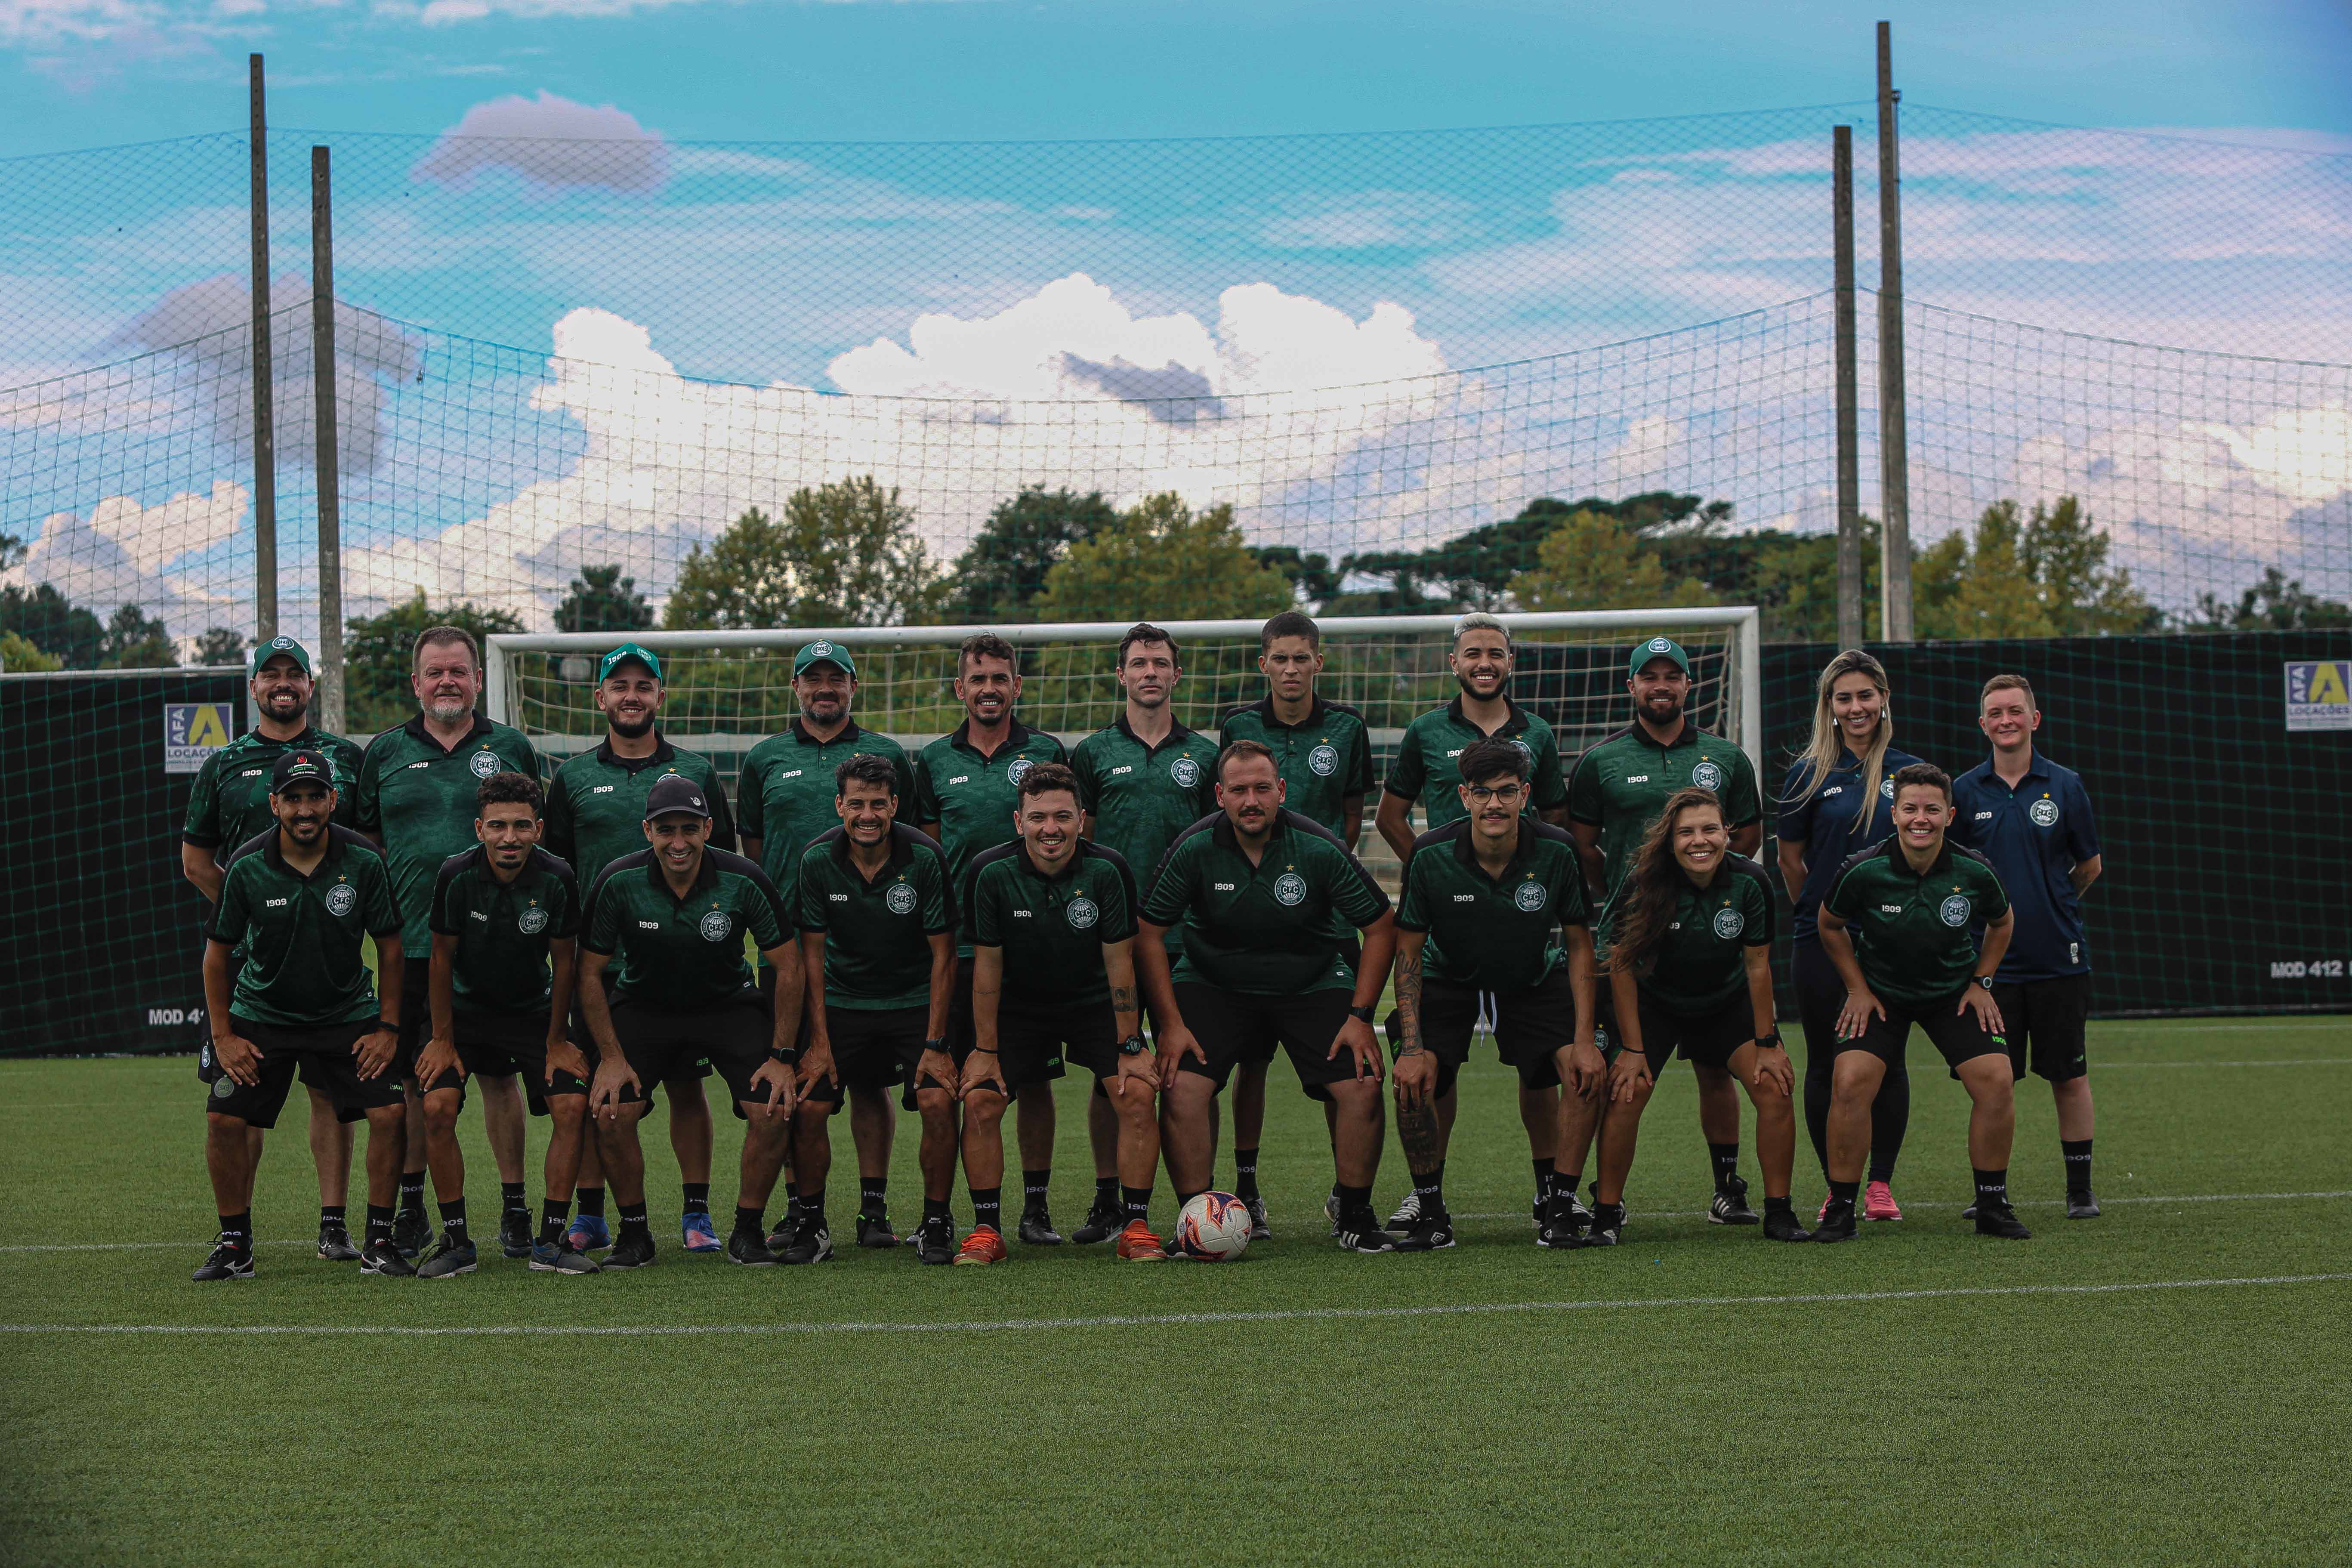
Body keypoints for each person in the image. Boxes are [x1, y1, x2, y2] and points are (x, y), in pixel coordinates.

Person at [1137, 739, 1401, 1253]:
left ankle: (1355, 1213)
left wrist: (1362, 1015)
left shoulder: (1318, 845)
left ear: (1281, 790)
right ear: (1220, 795)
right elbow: (1149, 933)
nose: (1250, 799)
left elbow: (1381, 925)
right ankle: (1198, 1219)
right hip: (1214, 982)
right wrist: (1170, 1023)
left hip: (1312, 981)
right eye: (1238, 789)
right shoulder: (1194, 846)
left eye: (1262, 788)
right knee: (1182, 1086)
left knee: (1363, 1082)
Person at [1375, 611, 1572, 1229]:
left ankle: (1551, 1190)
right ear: (1452, 664)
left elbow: (1559, 823)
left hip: (1523, 925)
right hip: (1449, 936)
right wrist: (1439, 876)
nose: (1483, 663)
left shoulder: (1536, 732)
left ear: (1511, 662)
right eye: (1471, 653)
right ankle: (1427, 1194)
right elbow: (1390, 815)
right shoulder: (1426, 731)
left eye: (1495, 652)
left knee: (1540, 1065)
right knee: (1436, 1063)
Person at [352, 625, 541, 1259]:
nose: (447, 682)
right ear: (416, 683)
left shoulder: (511, 745)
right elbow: (367, 844)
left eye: (458, 671)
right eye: (434, 673)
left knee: (497, 1077)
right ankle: (412, 1212)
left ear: (478, 679)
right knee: (415, 1083)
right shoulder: (382, 753)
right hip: (410, 947)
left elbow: (536, 843)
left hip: (497, 949)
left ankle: (516, 1211)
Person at [1565, 636, 1768, 1226]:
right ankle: (1607, 1196)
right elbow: (1583, 846)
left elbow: (1747, 837)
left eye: (1670, 676)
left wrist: (1702, 887)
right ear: (1630, 687)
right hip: (1631, 947)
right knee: (1624, 1075)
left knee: (1715, 1071)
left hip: (1708, 943)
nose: (1660, 686)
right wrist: (1635, 895)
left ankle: (1727, 1186)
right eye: (1647, 677)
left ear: (1687, 685)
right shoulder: (1599, 761)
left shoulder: (1726, 758)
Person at [180, 635, 367, 1261]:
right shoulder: (224, 763)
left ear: (311, 687)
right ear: (254, 687)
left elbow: (370, 850)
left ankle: (333, 1224)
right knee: (242, 1089)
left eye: (295, 673)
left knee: (327, 1094)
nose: (283, 683)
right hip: (253, 964)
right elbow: (196, 860)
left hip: (330, 959)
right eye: (271, 674)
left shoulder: (343, 758)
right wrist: (251, 917)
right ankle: (238, 1234)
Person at [193, 750, 412, 1280]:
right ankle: (234, 1244)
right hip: (263, 1013)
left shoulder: (363, 860)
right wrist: (223, 1036)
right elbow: (216, 956)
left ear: (334, 800)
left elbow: (390, 947)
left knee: (390, 1113)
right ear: (275, 804)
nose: (306, 808)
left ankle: (379, 1241)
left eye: (316, 796)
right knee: (224, 1118)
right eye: (293, 798)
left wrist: (387, 1028)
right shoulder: (246, 863)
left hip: (345, 1013)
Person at [543, 642, 732, 1255]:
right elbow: (559, 874)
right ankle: (596, 1216)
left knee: (685, 1085)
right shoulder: (571, 778)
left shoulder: (697, 773)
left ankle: (696, 1214)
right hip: (603, 971)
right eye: (618, 685)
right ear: (599, 697)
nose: (631, 695)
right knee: (603, 1091)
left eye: (643, 686)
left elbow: (723, 866)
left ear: (659, 697)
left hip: (683, 963)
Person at [578, 774, 800, 1269]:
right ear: (647, 831)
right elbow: (589, 972)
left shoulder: (744, 877)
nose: (678, 842)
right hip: (645, 1004)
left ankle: (747, 1231)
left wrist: (783, 1056)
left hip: (727, 1004)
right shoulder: (617, 880)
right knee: (611, 1110)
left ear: (708, 827)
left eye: (689, 828)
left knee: (774, 1107)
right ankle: (635, 1236)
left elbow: (789, 965)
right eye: (666, 830)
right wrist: (611, 1057)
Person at [738, 639, 916, 1249]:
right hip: (788, 952)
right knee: (798, 1083)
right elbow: (755, 856)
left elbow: (912, 844)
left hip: (874, 947)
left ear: (852, 687)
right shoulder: (764, 759)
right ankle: (802, 1210)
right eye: (812, 679)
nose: (824, 689)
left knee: (869, 1085)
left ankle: (873, 1210)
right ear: (795, 689)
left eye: (835, 679)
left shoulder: (888, 755)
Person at [1389, 738, 1600, 1252]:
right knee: (1415, 1079)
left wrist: (1585, 1037)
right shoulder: (1430, 853)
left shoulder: (1556, 848)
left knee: (1584, 1068)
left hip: (1531, 976)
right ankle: (1431, 1208)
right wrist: (1413, 1048)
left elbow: (1578, 945)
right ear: (1463, 796)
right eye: (1482, 793)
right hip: (1448, 976)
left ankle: (1558, 1202)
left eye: (1507, 792)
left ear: (1526, 793)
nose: (1495, 805)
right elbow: (1409, 953)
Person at [1814, 763, 2030, 1243]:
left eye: (1932, 809)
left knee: (1997, 1080)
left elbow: (2003, 921)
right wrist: (1857, 988)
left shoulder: (1975, 870)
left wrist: (1982, 981)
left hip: (1952, 993)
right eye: (1910, 808)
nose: (1921, 818)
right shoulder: (1863, 868)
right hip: (1881, 996)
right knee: (1849, 1081)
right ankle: (1842, 1208)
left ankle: (1992, 1203)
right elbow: (1829, 924)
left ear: (1950, 815)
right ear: (1894, 814)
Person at [959, 763, 1166, 1263]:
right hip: (1019, 1007)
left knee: (1136, 1091)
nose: (1050, 828)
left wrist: (1131, 1045)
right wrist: (985, 1051)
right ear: (1018, 821)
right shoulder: (990, 872)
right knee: (982, 1099)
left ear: (1081, 819)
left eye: (1062, 816)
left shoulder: (1108, 869)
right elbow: (985, 970)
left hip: (1092, 1002)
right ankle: (987, 1229)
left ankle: (1135, 1224)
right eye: (1038, 817)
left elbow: (1121, 964)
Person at [1215, 609, 1374, 1238]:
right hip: (1250, 914)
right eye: (1278, 659)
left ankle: (1347, 1189)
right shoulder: (1238, 725)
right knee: (1250, 1059)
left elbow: (1352, 814)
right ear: (1263, 664)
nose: (1289, 669)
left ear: (1318, 662)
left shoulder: (1347, 727)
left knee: (1340, 1054)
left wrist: (1319, 877)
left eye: (1300, 658)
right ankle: (1247, 1187)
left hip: (1324, 915)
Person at [1594, 787, 1809, 1244]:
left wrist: (1768, 1043)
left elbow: (1757, 966)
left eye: (1710, 828)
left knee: (1775, 1086)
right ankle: (1607, 1211)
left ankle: (1778, 1210)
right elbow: (1621, 966)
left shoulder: (1752, 882)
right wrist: (1631, 1050)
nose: (1700, 840)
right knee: (1627, 1091)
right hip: (1656, 1003)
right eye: (1686, 831)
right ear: (1670, 840)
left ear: (1727, 833)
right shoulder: (1644, 882)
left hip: (1725, 1002)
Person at [912, 634, 1068, 1243]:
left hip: (1031, 944)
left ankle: (1035, 1207)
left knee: (1033, 1080)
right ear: (960, 689)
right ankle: (941, 1215)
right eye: (977, 679)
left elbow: (1068, 836)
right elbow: (925, 850)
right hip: (958, 947)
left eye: (999, 678)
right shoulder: (932, 760)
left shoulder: (1047, 751)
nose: (988, 689)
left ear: (1016, 686)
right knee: (952, 1085)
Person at [412, 773, 596, 1277]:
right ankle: (457, 1241)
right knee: (436, 1106)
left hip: (533, 1014)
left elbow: (566, 964)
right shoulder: (455, 874)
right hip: (465, 1014)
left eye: (520, 825)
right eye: (497, 826)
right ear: (479, 828)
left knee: (572, 1104)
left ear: (538, 828)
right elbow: (441, 960)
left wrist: (558, 1040)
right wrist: (442, 1038)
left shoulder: (558, 876)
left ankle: (551, 1241)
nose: (509, 837)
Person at [1069, 623, 1217, 1243]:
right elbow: (1080, 843)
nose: (1150, 672)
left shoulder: (1207, 754)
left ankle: (1204, 1200)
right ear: (1122, 675)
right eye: (1139, 663)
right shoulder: (1092, 753)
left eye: (1160, 663)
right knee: (1115, 1075)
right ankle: (1110, 1200)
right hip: (1113, 940)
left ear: (1176, 676)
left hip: (1191, 939)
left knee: (1193, 1074)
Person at [788, 754, 961, 1265]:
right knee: (811, 1103)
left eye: (879, 804)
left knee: (936, 1100)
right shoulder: (817, 859)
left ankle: (935, 1221)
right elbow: (812, 959)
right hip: (843, 1002)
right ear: (840, 805)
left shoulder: (924, 857)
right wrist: (819, 1043)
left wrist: (935, 1043)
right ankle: (812, 1222)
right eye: (857, 803)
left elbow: (943, 956)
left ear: (895, 806)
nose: (868, 814)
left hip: (913, 1003)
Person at [1775, 649, 1927, 1223]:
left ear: (1884, 698)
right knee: (1824, 1063)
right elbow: (1791, 861)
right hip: (1820, 943)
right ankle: (1835, 1184)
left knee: (1884, 1061)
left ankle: (1879, 1186)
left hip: (1893, 943)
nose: (1856, 706)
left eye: (1866, 694)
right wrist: (1822, 915)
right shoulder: (1808, 773)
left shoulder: (1910, 771)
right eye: (1844, 697)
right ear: (1830, 707)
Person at [1950, 674, 2105, 1219]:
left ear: (2034, 719)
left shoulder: (2065, 785)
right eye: (1995, 712)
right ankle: (1991, 1192)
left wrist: (2050, 900)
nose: (2006, 720)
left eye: (2016, 710)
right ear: (1984, 724)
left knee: (2069, 1074)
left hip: (2057, 957)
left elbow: (2088, 866)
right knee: (1994, 1083)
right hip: (1990, 967)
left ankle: (2080, 1188)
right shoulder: (1964, 792)